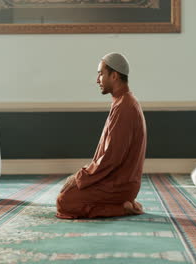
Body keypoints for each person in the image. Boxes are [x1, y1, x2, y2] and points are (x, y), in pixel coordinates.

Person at [56, 52, 147, 219]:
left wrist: (80, 176)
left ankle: (122, 208)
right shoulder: (123, 102)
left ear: (114, 76)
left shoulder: (125, 107)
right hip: (115, 180)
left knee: (65, 202)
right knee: (68, 191)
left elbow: (112, 158)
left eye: (100, 74)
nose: (97, 80)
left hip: (119, 184)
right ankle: (122, 205)